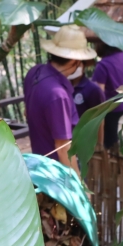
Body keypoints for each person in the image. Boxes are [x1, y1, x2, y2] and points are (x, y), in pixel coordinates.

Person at [23, 24, 97, 176]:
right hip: (57, 172)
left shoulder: (34, 72)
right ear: (74, 61)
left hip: (39, 163)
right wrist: (78, 185)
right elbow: (63, 147)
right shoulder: (57, 95)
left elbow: (27, 112)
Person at [92, 42, 123, 149]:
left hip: (112, 108)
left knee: (109, 139)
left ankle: (111, 155)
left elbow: (98, 95)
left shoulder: (103, 65)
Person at [70, 60, 106, 146]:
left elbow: (99, 120)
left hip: (85, 141)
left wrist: (99, 144)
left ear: (84, 65)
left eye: (77, 64)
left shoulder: (92, 89)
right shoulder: (62, 87)